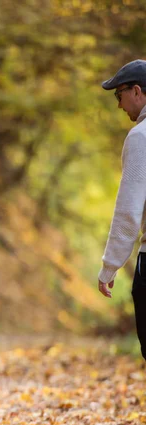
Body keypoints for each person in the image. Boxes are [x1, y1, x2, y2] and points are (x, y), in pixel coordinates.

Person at [98, 60, 146, 359]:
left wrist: (109, 266)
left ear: (138, 92)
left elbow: (128, 211)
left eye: (120, 95)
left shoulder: (141, 137)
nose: (119, 104)